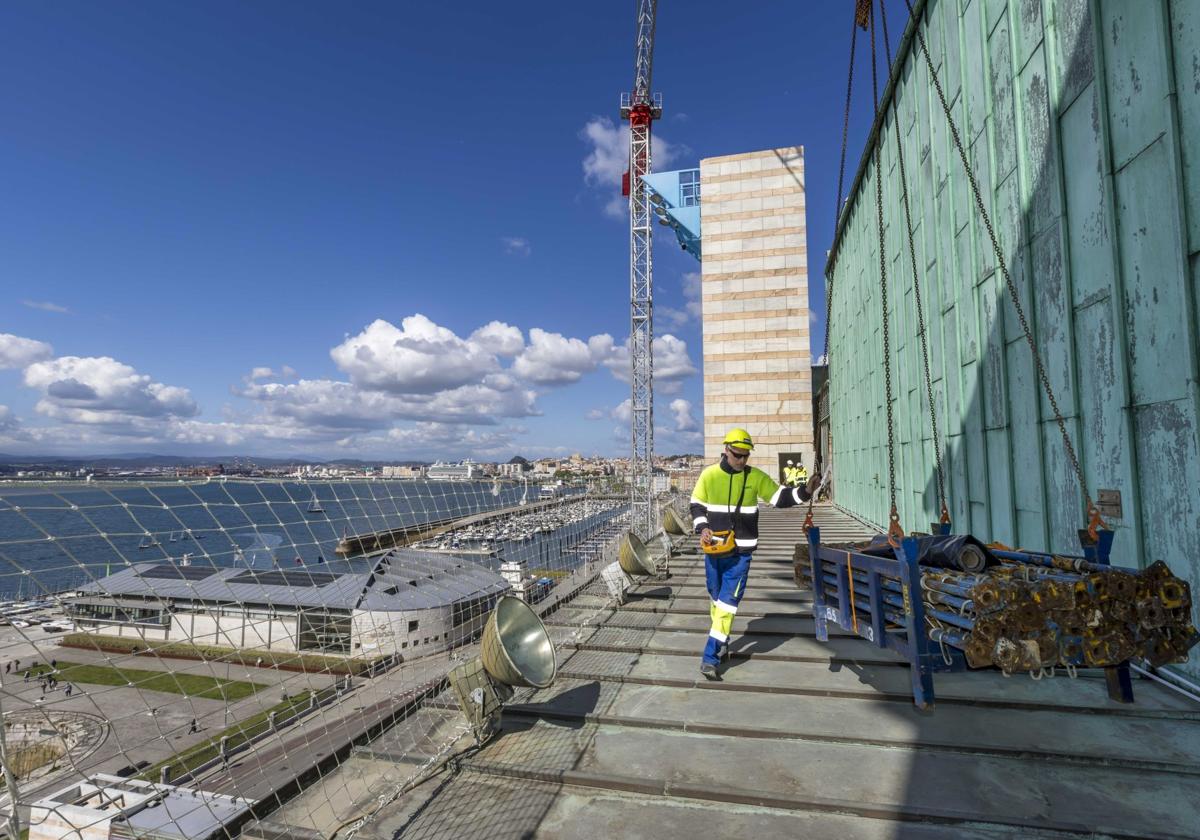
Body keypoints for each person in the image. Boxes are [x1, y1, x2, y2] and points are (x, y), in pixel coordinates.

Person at [691, 428, 821, 680]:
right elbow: (696, 504)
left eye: (745, 456)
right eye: (737, 455)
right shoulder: (709, 475)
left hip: (741, 554)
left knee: (727, 603)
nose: (741, 461)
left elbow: (780, 498)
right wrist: (702, 526)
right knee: (716, 598)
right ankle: (722, 637)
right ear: (726, 451)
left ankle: (710, 657)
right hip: (715, 551)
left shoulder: (755, 477)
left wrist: (805, 491)